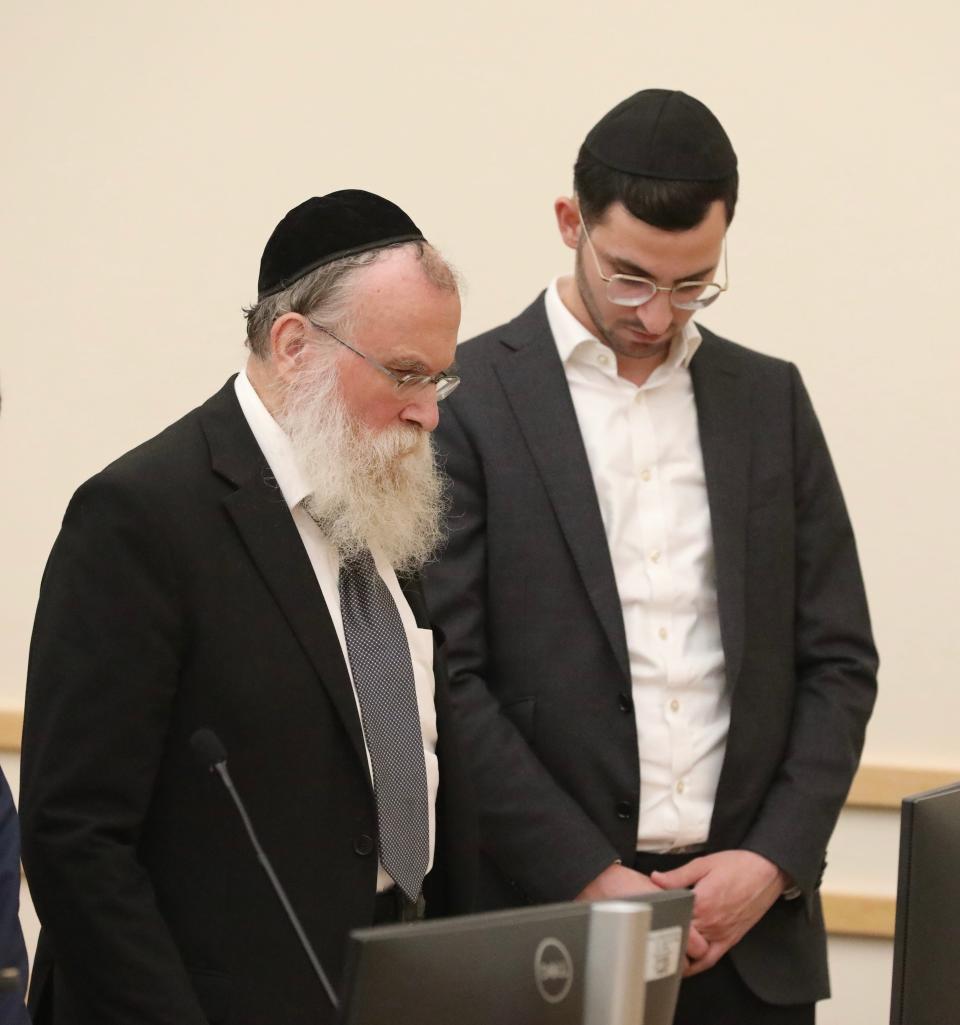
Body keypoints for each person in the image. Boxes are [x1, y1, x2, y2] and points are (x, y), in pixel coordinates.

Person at [422, 90, 878, 1025]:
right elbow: (448, 678)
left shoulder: (769, 400)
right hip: (541, 924)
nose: (658, 313)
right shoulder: (465, 402)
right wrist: (587, 875)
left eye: (691, 284)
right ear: (568, 224)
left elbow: (838, 658)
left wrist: (774, 860)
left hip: (747, 932)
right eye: (631, 278)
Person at [19, 190, 479, 1025]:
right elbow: (74, 839)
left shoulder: (379, 505)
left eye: (439, 376)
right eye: (406, 374)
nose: (429, 410)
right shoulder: (141, 518)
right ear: (295, 345)